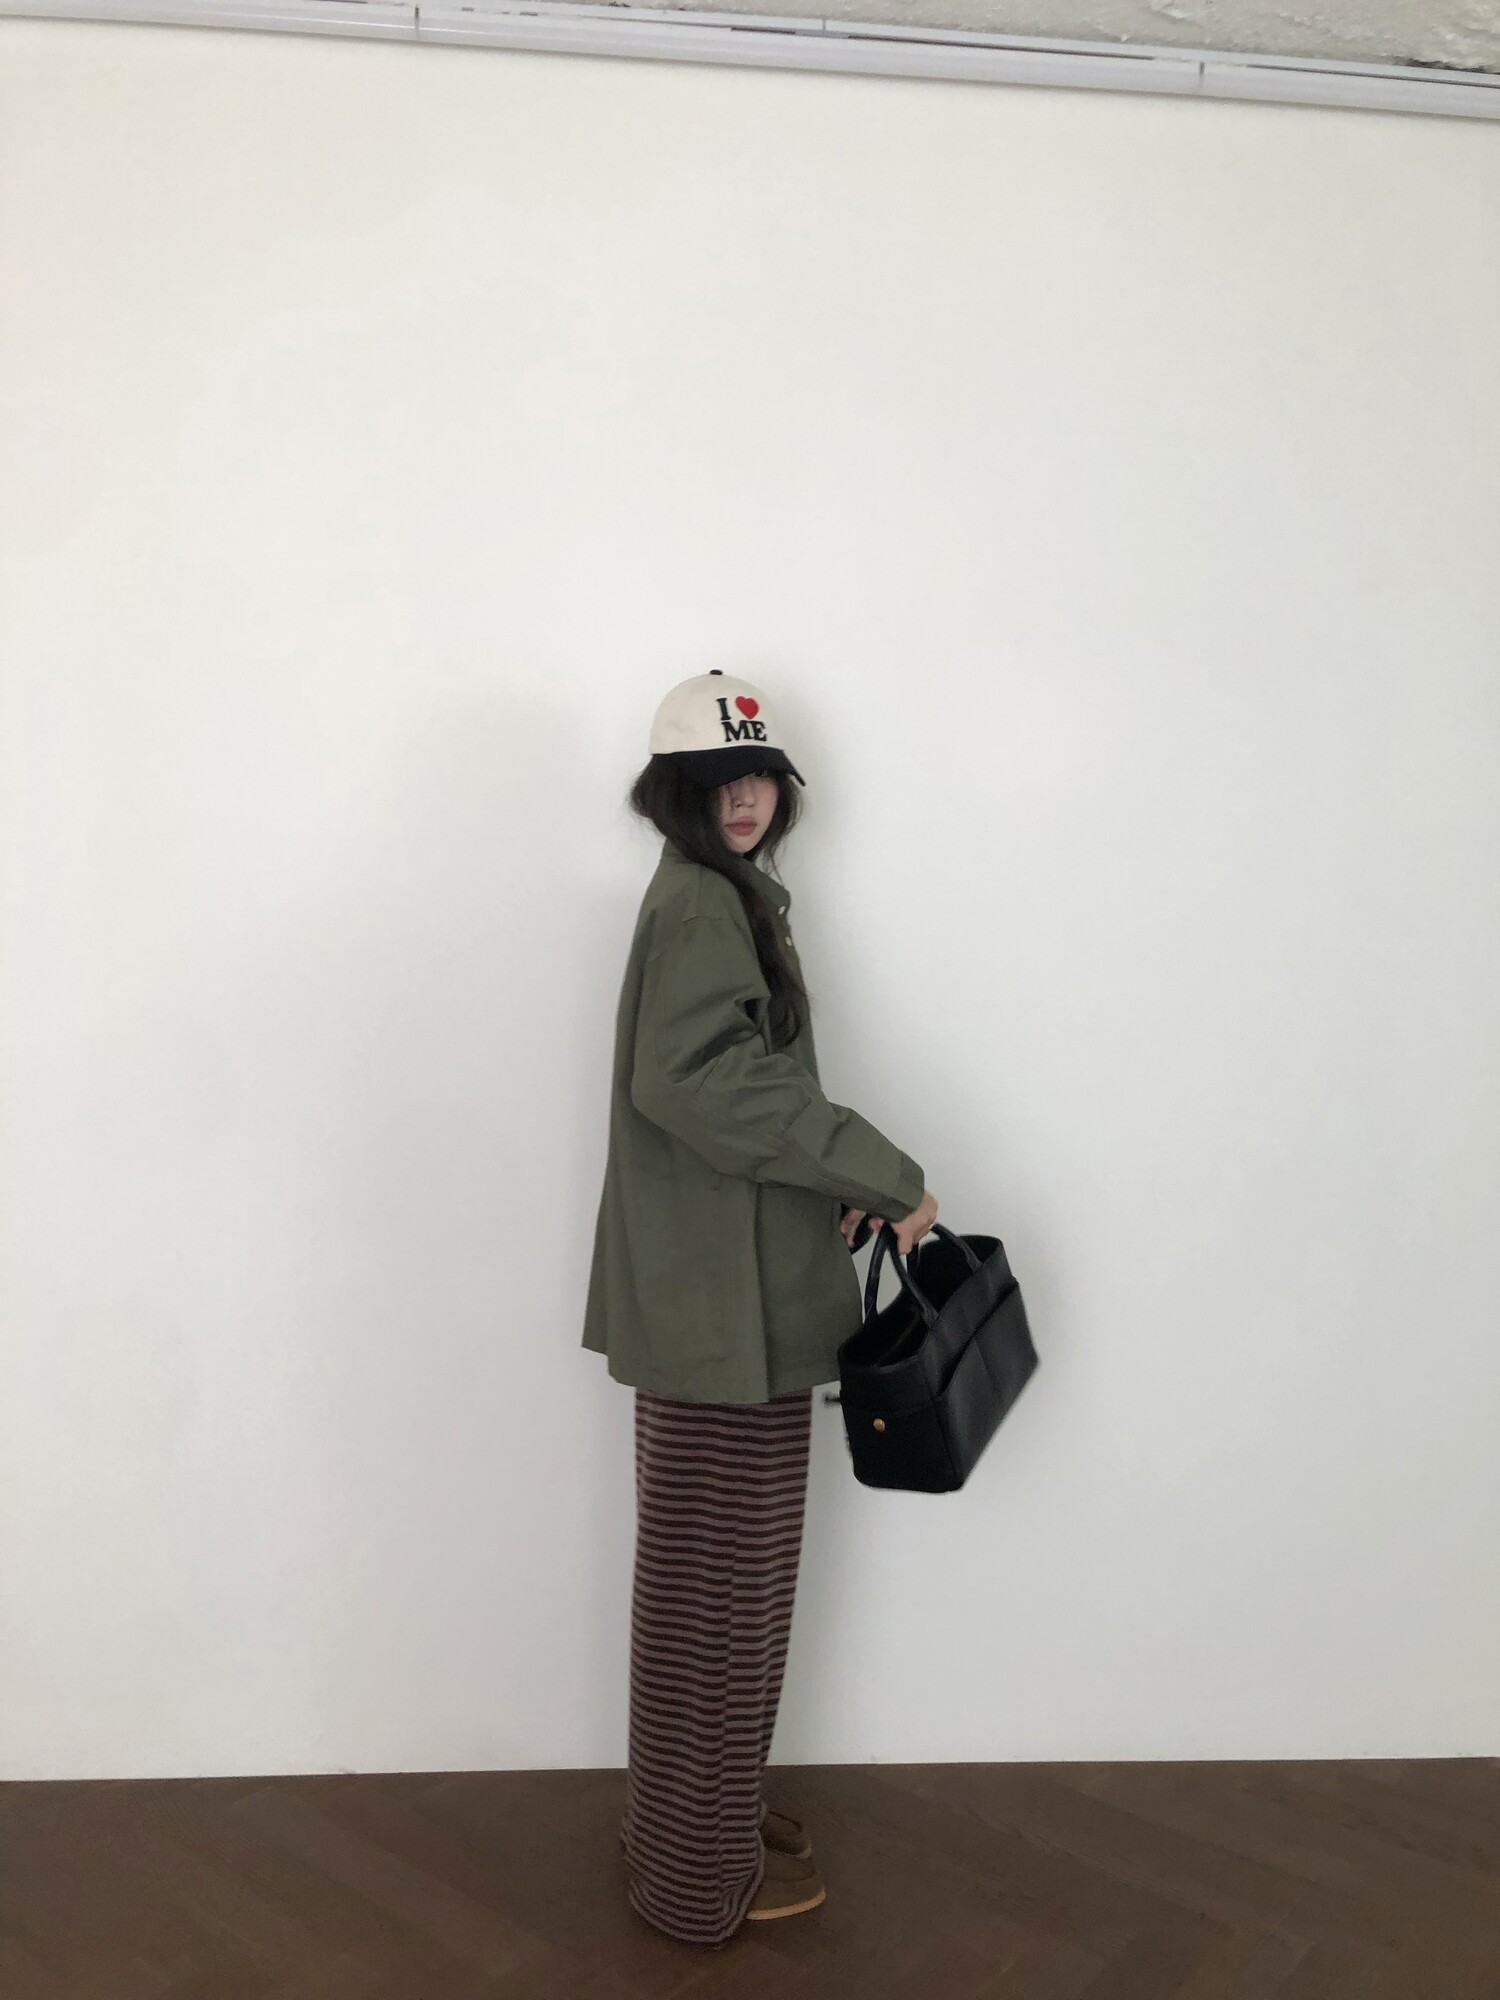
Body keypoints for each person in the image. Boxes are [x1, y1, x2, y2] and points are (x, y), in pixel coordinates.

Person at [581, 669, 938, 1948]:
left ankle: (702, 1818)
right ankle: (693, 1873)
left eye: (759, 775)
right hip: (719, 1318)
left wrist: (826, 1189)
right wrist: (883, 1174)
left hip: (731, 1297)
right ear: (672, 793)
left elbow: (730, 1090)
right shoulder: (700, 902)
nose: (743, 797)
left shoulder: (720, 895)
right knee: (717, 1602)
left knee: (714, 1590)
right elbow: (702, 1081)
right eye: (716, 779)